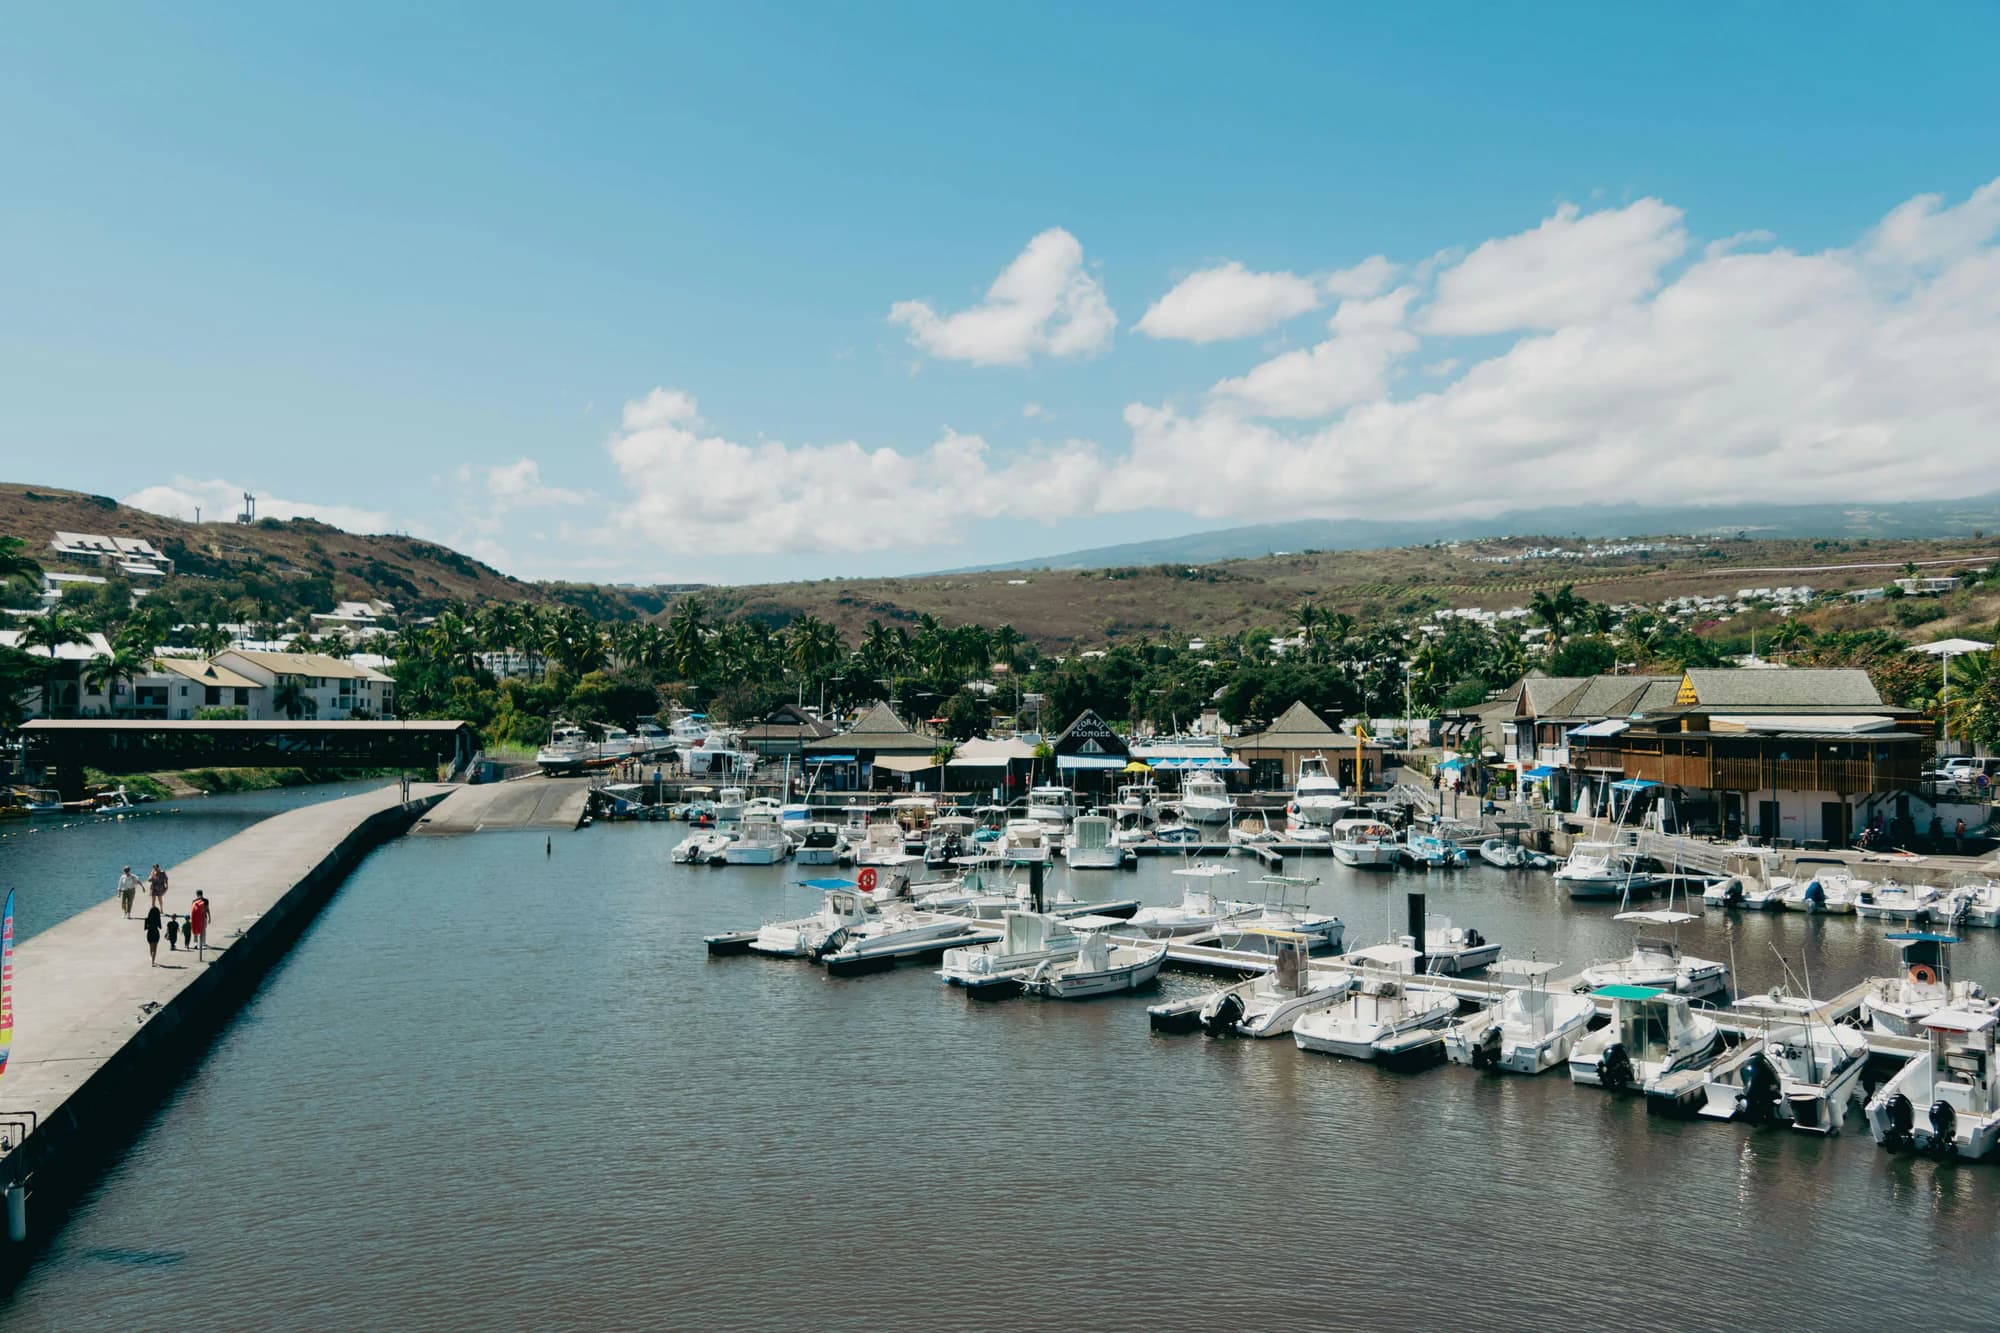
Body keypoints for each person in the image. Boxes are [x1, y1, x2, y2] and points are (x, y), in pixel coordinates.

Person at [189, 891, 210, 958]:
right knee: (195, 930)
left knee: (203, 930)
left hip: (203, 917)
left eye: (199, 895)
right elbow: (193, 910)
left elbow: (207, 909)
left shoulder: (205, 901)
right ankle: (196, 943)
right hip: (198, 918)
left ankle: (203, 943)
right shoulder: (194, 901)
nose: (199, 897)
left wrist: (209, 917)